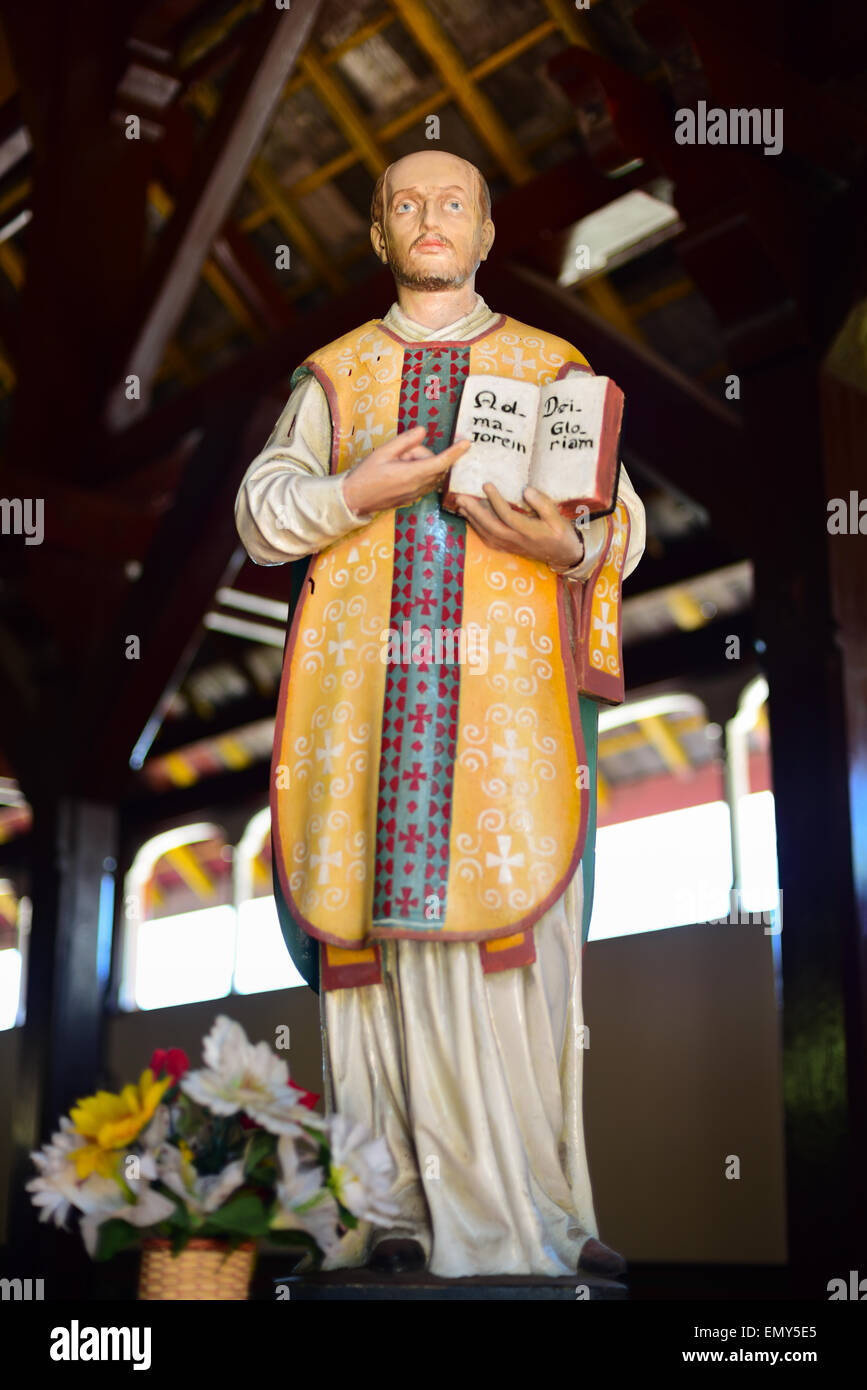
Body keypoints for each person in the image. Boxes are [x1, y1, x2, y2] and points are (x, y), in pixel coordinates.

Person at [235, 149, 645, 1279]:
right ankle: (395, 1217)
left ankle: (528, 1220)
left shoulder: (549, 364)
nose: (429, 219)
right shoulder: (333, 376)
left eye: (450, 203)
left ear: (485, 232)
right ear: (378, 235)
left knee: (514, 958)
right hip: (368, 723)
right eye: (405, 204)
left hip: (503, 730)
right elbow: (263, 512)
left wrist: (563, 544)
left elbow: (621, 522)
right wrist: (352, 493)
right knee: (376, 958)